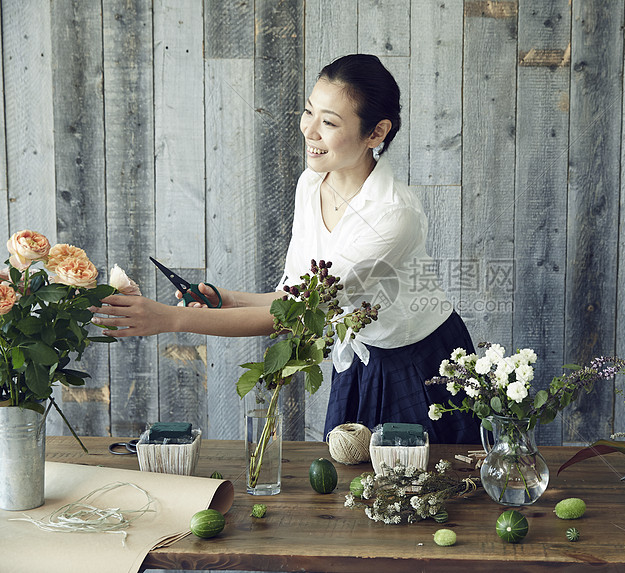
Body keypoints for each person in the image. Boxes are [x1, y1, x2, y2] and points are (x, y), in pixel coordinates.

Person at [95, 54, 479, 445]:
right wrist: (227, 299)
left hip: (421, 365)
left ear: (376, 132)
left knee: (429, 492)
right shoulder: (311, 185)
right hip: (360, 358)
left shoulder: (392, 215)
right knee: (350, 483)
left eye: (329, 122)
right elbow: (294, 294)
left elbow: (297, 316)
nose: (309, 130)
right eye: (309, 112)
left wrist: (167, 319)